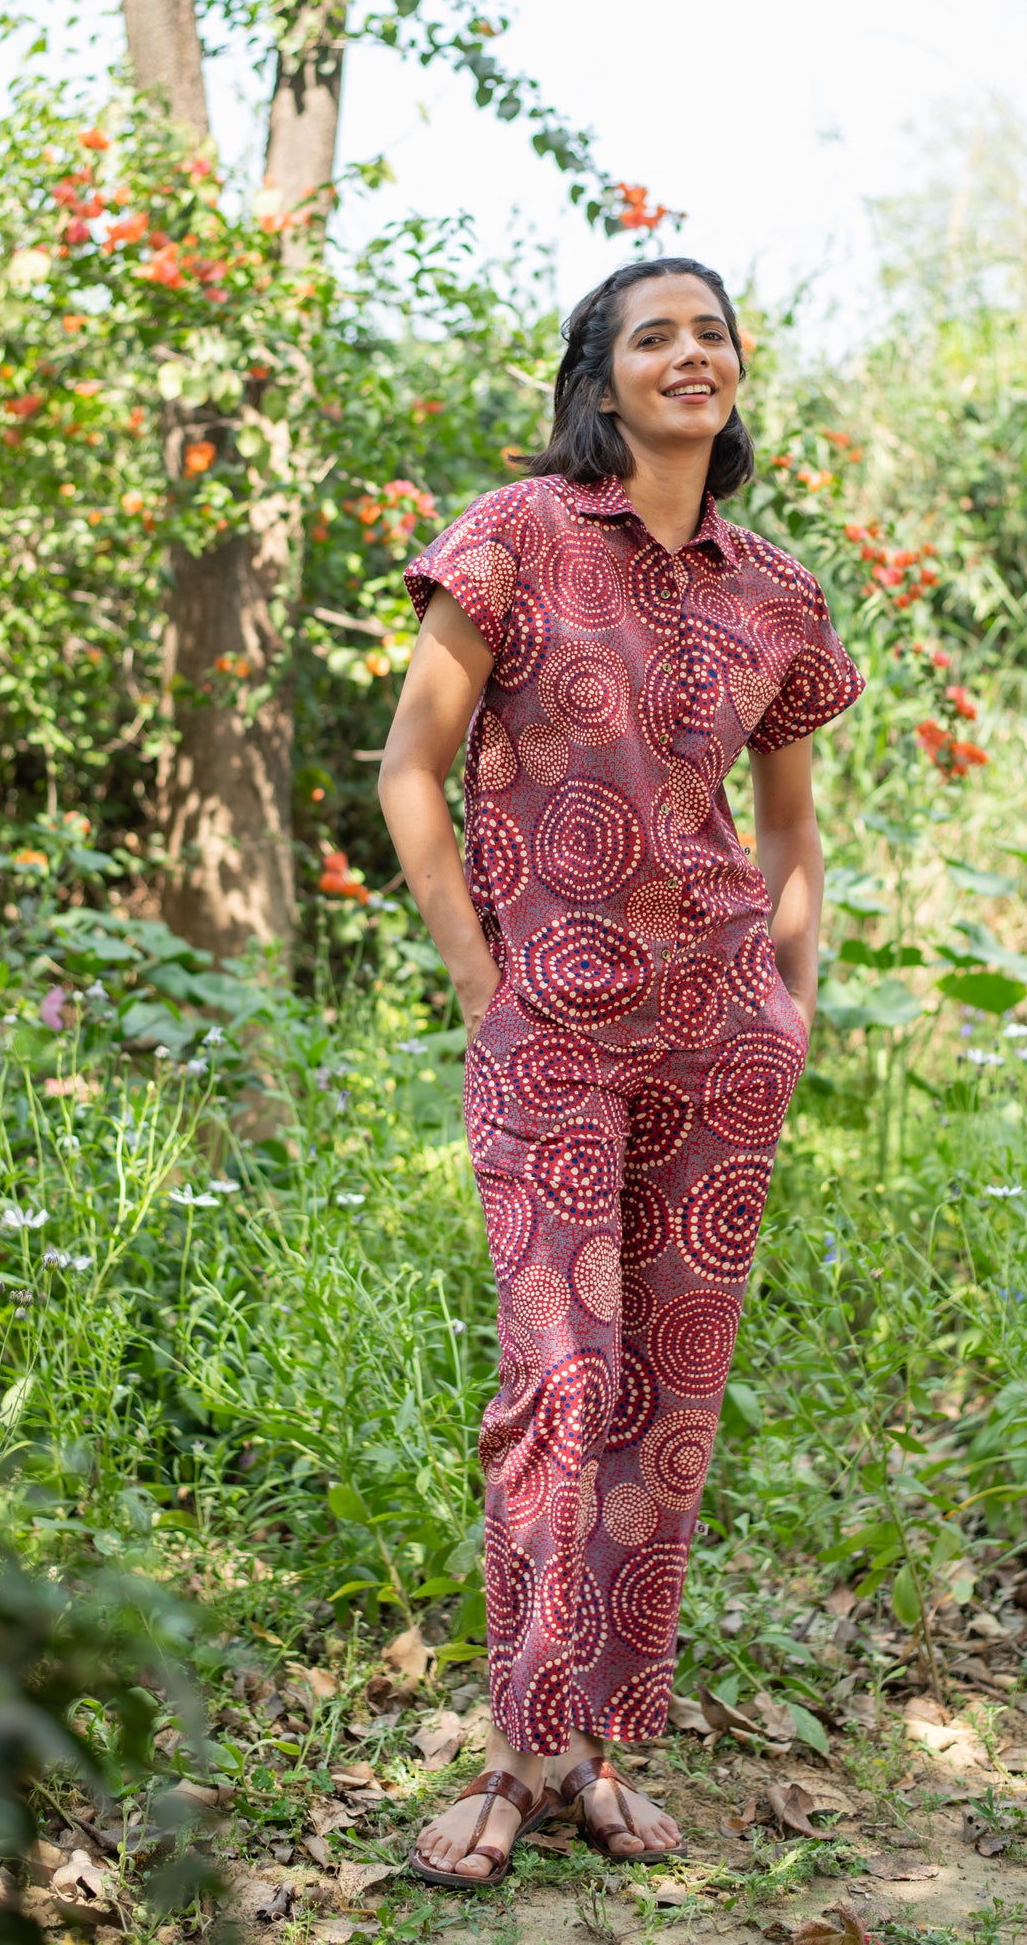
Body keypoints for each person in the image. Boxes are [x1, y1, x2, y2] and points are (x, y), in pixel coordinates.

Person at [378, 257, 866, 1888]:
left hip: (720, 1036)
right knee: (560, 1379)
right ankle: (515, 1749)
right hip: (552, 1030)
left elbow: (788, 829)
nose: (689, 354)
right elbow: (408, 771)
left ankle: (593, 1749)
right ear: (601, 377)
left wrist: (789, 1005)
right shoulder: (514, 536)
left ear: (735, 372)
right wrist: (483, 986)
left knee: (664, 1400)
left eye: (711, 333)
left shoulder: (774, 591)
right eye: (654, 335)